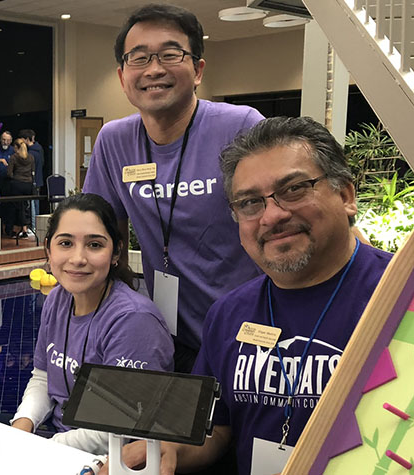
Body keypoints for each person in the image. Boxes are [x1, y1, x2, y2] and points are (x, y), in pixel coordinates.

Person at [106, 117, 393, 475]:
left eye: (294, 189)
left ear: (346, 195)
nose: (271, 215)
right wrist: (168, 451)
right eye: (250, 203)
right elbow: (214, 428)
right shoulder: (229, 314)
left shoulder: (404, 299)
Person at [82, 4, 265, 372]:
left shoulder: (241, 127)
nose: (154, 69)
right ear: (122, 76)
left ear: (197, 70)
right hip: (170, 335)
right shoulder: (114, 141)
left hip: (250, 333)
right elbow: (99, 234)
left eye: (170, 54)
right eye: (139, 58)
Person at [11, 193, 173, 455]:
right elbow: (43, 376)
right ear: (48, 249)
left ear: (116, 252)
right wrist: (21, 426)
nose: (78, 258)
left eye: (94, 245)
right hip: (56, 442)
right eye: (65, 243)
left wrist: (36, 449)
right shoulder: (56, 300)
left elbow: (119, 426)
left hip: (112, 459)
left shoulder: (134, 321)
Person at [5, 138, 35, 238]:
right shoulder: (31, 157)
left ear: (16, 147)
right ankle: (25, 229)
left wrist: (15, 178)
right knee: (25, 207)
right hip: (28, 185)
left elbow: (9, 173)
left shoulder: (14, 157)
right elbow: (33, 171)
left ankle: (14, 230)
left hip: (17, 185)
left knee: (15, 208)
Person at [16, 128, 44, 230]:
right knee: (35, 205)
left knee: (31, 206)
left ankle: (33, 228)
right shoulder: (40, 149)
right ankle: (36, 227)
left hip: (31, 181)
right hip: (38, 180)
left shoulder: (30, 154)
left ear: (27, 139)